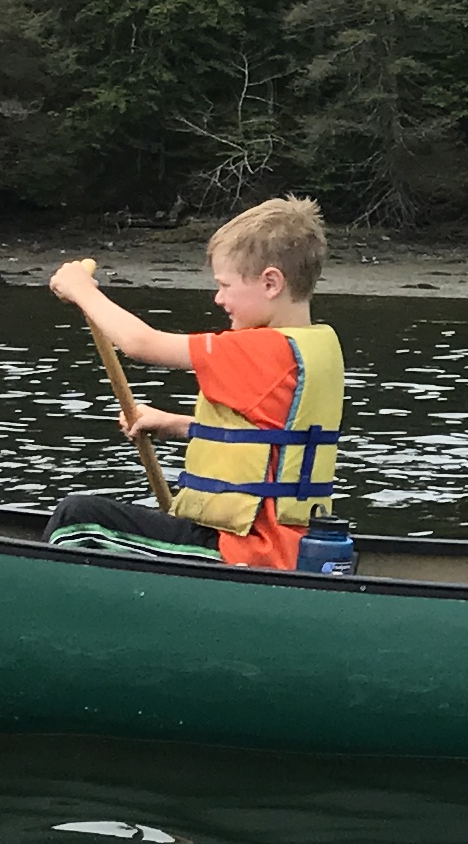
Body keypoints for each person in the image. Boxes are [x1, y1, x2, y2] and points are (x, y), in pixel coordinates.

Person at [44, 196, 352, 573]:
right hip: (292, 549)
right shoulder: (311, 346)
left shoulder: (259, 349)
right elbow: (268, 440)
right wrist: (175, 424)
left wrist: (82, 291)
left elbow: (141, 343)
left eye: (225, 285)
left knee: (77, 518)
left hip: (245, 551)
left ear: (271, 282)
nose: (218, 298)